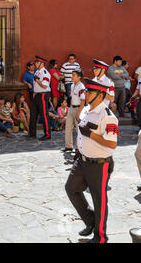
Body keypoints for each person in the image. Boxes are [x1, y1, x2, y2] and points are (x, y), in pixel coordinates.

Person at [65, 78, 118, 243]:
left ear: (101, 95)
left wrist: (92, 135)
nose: (86, 94)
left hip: (99, 164)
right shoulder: (86, 109)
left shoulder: (108, 116)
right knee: (71, 188)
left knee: (99, 200)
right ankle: (91, 222)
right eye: (86, 91)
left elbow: (112, 143)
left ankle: (100, 236)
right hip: (82, 160)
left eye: (90, 92)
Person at [63, 70, 86, 155]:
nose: (72, 77)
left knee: (78, 129)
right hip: (72, 108)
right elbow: (72, 98)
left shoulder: (81, 86)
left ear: (79, 77)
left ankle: (78, 148)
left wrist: (79, 113)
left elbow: (83, 101)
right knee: (68, 127)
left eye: (74, 75)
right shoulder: (72, 85)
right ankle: (68, 146)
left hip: (78, 108)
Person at [28, 55, 51, 140]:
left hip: (43, 94)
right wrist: (34, 91)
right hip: (37, 94)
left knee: (44, 115)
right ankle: (32, 133)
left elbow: (45, 86)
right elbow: (36, 84)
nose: (35, 64)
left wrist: (38, 81)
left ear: (42, 64)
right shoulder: (37, 72)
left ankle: (47, 134)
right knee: (33, 114)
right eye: (36, 62)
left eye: (37, 62)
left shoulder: (45, 73)